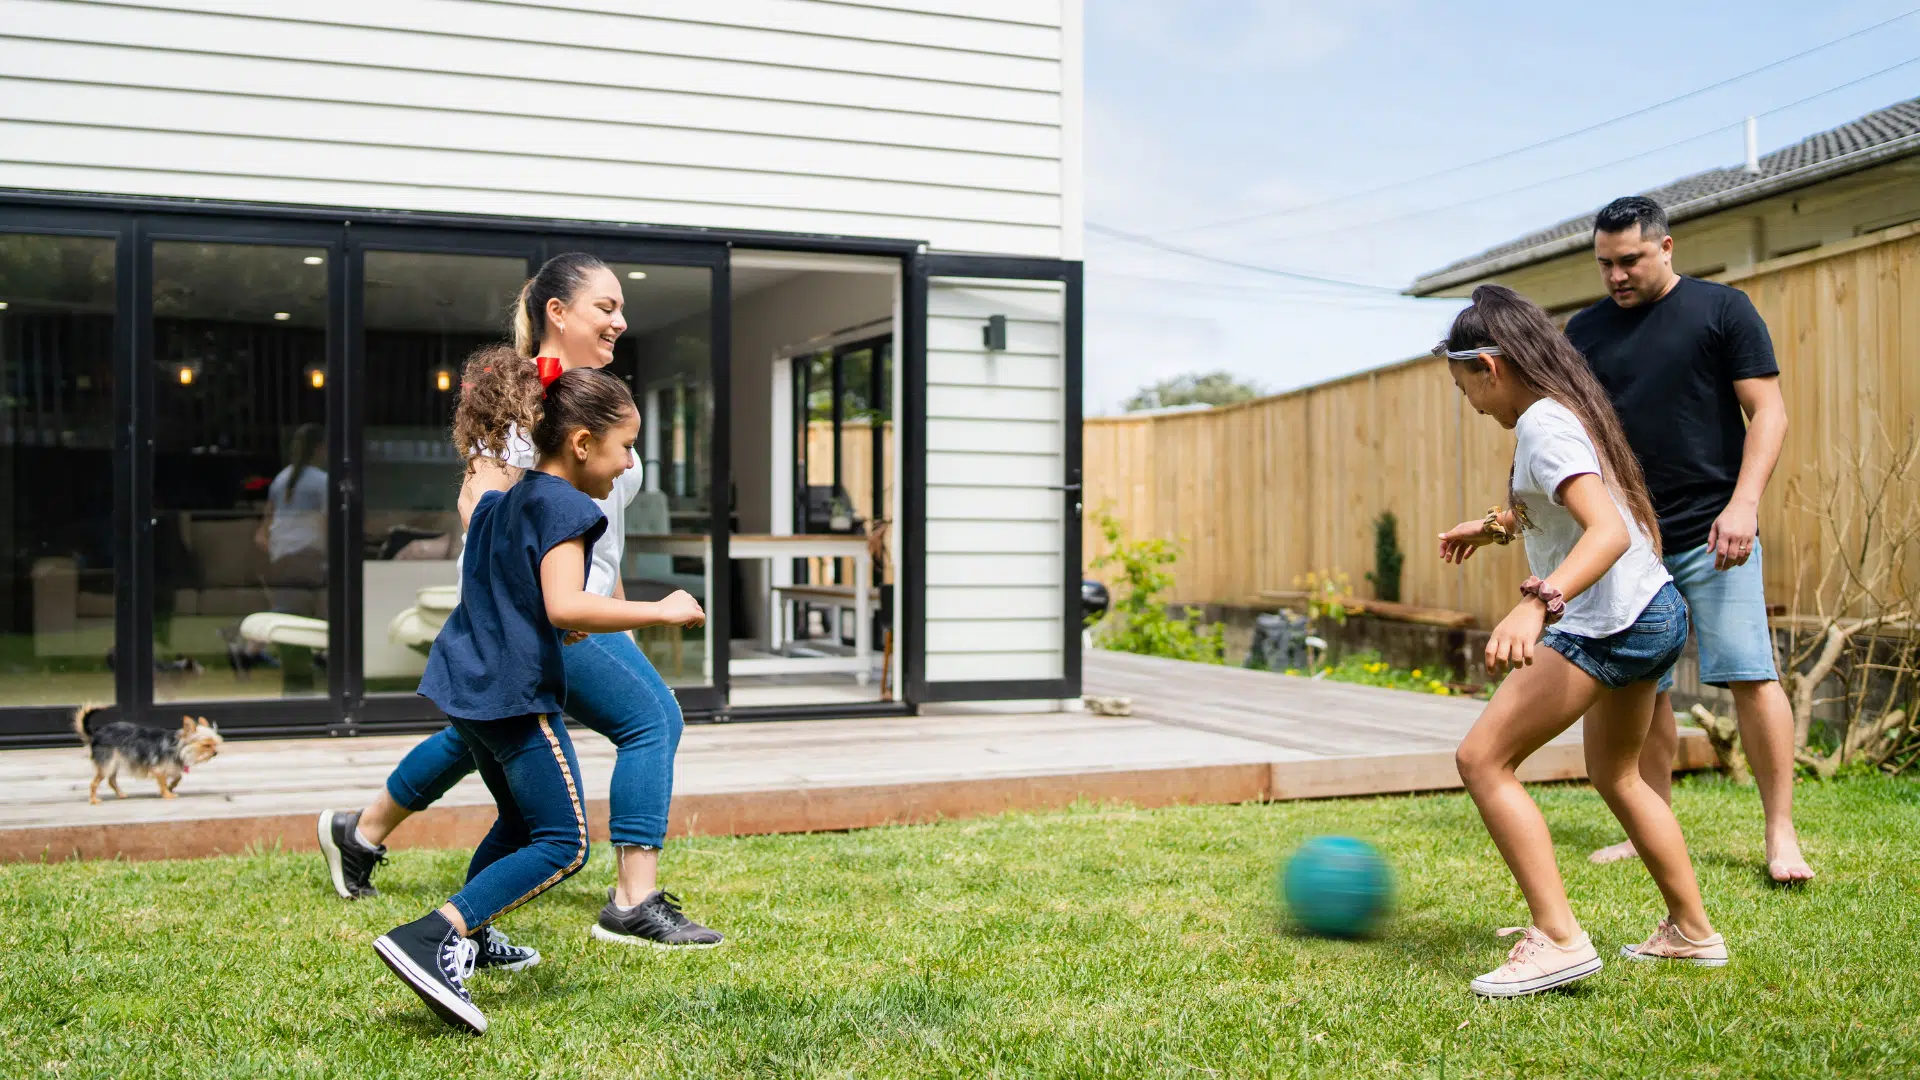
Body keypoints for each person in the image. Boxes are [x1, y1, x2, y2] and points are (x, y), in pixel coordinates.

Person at [321, 252, 724, 952]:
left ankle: (360, 833)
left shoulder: (591, 401)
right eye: (606, 306)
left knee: (482, 736)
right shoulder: (520, 405)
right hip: (544, 613)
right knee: (650, 719)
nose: (621, 320)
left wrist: (619, 612)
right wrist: (549, 611)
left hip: (578, 605)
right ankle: (633, 900)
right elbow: (483, 510)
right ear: (556, 313)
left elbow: (605, 537)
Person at [374, 367, 704, 1035]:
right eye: (625, 446)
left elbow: (515, 585)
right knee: (563, 842)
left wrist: (562, 615)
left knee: (521, 824)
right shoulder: (570, 509)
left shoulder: (509, 497)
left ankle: (468, 938)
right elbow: (563, 603)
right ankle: (433, 936)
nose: (630, 463)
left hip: (464, 684)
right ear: (582, 443)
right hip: (512, 695)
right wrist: (662, 609)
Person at [1437, 284, 1726, 999]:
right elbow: (1559, 503)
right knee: (1618, 774)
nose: (1467, 401)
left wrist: (1538, 604)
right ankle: (1692, 931)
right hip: (1653, 610)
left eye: (1462, 384)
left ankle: (1559, 940)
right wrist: (1498, 526)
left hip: (1609, 623)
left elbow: (1608, 529)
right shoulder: (1562, 410)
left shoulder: (1544, 425)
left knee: (1482, 759)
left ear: (1490, 367)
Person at [1567, 196, 1811, 883]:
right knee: (1642, 687)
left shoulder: (1721, 310)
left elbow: (1768, 411)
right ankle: (1652, 823)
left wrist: (1743, 505)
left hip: (1714, 530)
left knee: (1749, 673)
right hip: (1631, 538)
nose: (1616, 275)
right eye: (1605, 264)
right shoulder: (1585, 331)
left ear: (1666, 247)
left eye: (1630, 260)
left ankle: (1780, 832)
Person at [256, 422, 328, 615]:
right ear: (320, 448)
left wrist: (278, 552)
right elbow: (328, 527)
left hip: (280, 561)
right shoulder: (322, 482)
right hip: (309, 561)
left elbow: (262, 533)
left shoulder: (280, 480)